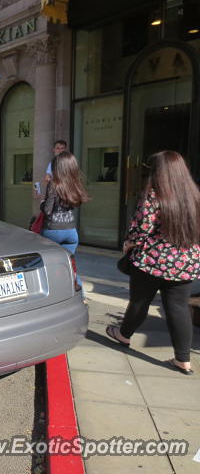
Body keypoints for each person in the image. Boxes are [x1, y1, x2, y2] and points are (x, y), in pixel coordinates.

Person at [106, 151, 200, 375]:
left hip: (152, 261)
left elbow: (141, 230)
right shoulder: (194, 195)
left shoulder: (154, 196)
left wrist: (128, 244)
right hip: (187, 262)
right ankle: (183, 360)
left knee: (140, 301)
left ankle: (124, 335)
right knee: (178, 309)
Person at [40, 151, 89, 255]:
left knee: (51, 264)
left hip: (53, 230)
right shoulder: (74, 183)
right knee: (68, 265)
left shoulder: (53, 184)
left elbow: (47, 210)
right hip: (71, 231)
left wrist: (42, 202)